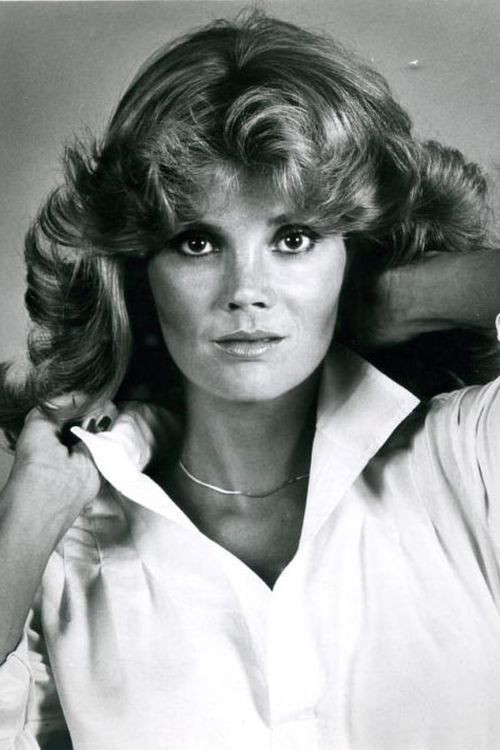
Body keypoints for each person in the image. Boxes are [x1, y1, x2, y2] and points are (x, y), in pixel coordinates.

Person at [0, 11, 499, 750]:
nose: (246, 292)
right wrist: (23, 526)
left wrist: (404, 296)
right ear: (138, 272)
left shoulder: (469, 459)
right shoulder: (62, 545)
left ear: (353, 254)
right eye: (197, 242)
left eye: (294, 239)